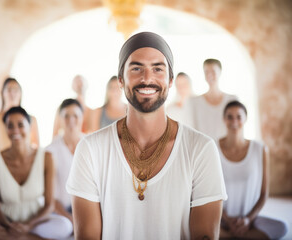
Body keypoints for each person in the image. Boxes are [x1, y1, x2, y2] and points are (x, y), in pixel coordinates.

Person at [66, 32, 227, 239]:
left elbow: (204, 235)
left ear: (170, 81)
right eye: (136, 68)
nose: (147, 78)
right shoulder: (90, 150)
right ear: (121, 80)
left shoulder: (201, 149)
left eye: (157, 69)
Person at [0, 107, 73, 240]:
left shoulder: (46, 157)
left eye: (20, 125)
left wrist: (28, 226)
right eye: (10, 126)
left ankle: (20, 237)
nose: (15, 130)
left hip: (35, 222)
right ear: (5, 128)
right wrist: (9, 225)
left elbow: (49, 205)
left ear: (30, 127)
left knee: (65, 226)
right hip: (5, 221)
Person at [217, 100, 288, 239]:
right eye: (229, 117)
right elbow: (210, 192)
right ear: (224, 119)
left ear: (246, 119)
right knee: (189, 223)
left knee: (282, 227)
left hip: (249, 219)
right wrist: (227, 219)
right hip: (220, 218)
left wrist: (248, 219)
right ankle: (238, 235)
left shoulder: (260, 149)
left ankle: (228, 236)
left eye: (239, 116)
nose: (234, 121)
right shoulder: (213, 147)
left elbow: (263, 194)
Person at [46, 98, 85, 224]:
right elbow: (50, 197)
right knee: (64, 227)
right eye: (66, 116)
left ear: (82, 117)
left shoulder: (91, 145)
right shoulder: (50, 151)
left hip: (88, 208)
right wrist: (71, 219)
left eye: (75, 115)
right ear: (60, 119)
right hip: (61, 212)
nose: (71, 120)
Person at [185, 59, 236, 140]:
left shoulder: (232, 100)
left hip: (227, 150)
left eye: (213, 71)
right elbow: (191, 131)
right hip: (203, 149)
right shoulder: (194, 102)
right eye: (206, 72)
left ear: (220, 72)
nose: (210, 75)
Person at [0, 77, 39, 150]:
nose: (12, 93)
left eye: (16, 89)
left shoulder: (32, 119)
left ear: (20, 93)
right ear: (2, 92)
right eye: (9, 89)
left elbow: (36, 146)